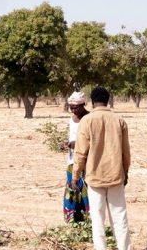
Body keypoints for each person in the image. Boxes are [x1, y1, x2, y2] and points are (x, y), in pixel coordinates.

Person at [71, 87, 131, 250]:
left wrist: (75, 176)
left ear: (91, 101)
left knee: (98, 219)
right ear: (108, 100)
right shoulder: (119, 120)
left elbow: (80, 152)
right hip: (116, 176)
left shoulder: (87, 121)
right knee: (120, 218)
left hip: (94, 177)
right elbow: (126, 152)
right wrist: (125, 173)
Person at [61, 91, 90, 223]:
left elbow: (91, 141)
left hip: (86, 162)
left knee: (85, 192)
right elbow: (71, 137)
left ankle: (87, 220)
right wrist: (66, 144)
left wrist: (76, 145)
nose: (73, 110)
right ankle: (73, 221)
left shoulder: (89, 119)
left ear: (83, 104)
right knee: (72, 191)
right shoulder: (71, 120)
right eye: (70, 107)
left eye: (75, 107)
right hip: (72, 161)